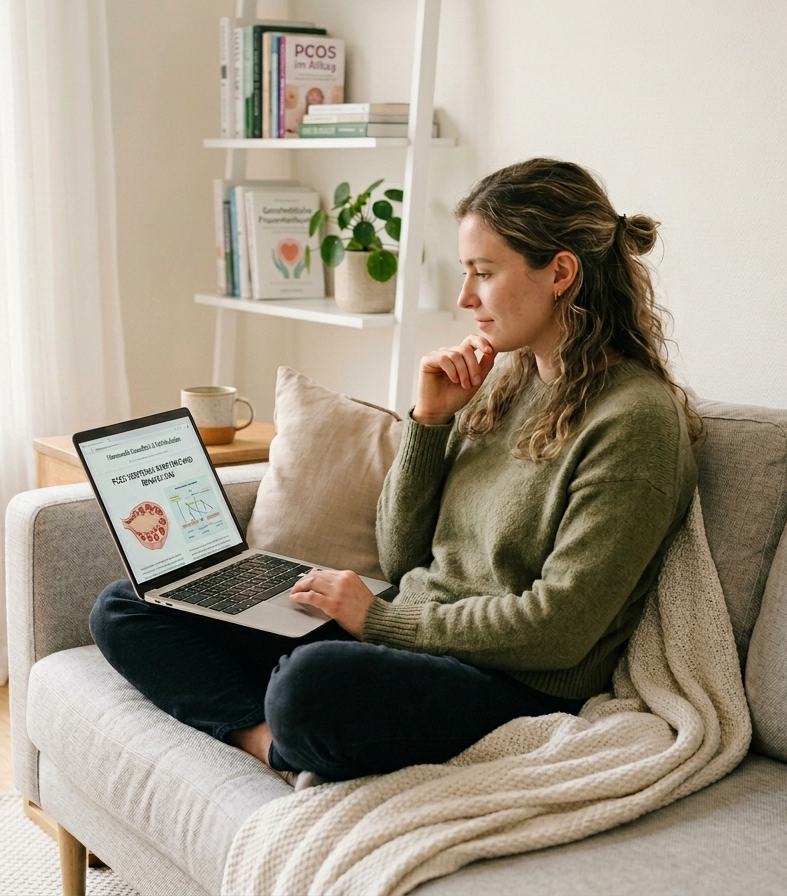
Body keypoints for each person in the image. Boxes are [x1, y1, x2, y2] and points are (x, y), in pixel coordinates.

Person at [90, 157, 700, 784]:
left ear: (560, 273)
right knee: (128, 605)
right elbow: (402, 555)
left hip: (508, 679)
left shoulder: (634, 421)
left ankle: (284, 714)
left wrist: (378, 621)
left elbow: (560, 630)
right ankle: (266, 740)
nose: (465, 299)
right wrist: (429, 423)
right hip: (406, 633)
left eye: (483, 274)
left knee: (309, 684)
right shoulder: (508, 383)